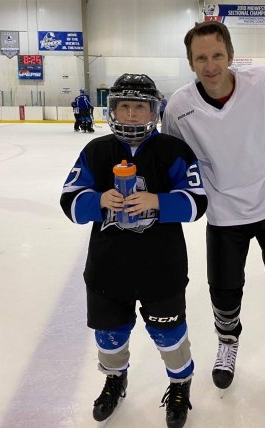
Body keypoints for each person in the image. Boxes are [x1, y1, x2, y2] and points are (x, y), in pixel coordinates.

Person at [162, 21, 265, 405]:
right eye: (201, 58)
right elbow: (173, 161)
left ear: (231, 56)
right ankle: (227, 344)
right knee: (224, 292)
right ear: (190, 63)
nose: (210, 66)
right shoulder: (179, 107)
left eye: (217, 55)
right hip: (224, 214)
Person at [60, 73, 207, 428]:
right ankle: (115, 379)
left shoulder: (173, 151)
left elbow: (196, 203)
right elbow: (70, 201)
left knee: (170, 335)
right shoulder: (96, 151)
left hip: (162, 269)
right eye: (123, 106)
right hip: (108, 270)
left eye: (139, 107)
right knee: (109, 336)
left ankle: (179, 384)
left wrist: (157, 201)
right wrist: (97, 201)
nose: (130, 114)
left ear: (154, 111)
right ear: (112, 109)